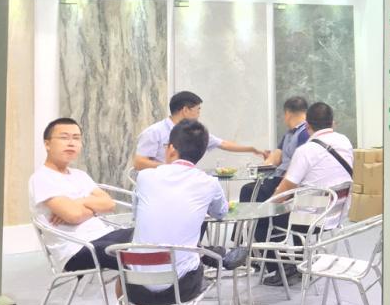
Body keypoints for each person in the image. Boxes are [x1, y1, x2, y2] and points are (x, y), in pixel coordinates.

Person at [27, 117, 146, 305]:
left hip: (103, 234)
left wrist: (78, 203)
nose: (71, 143)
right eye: (64, 137)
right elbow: (73, 216)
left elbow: (108, 204)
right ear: (47, 143)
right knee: (131, 252)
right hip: (75, 249)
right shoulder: (41, 179)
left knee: (147, 237)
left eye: (76, 138)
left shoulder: (80, 175)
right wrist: (87, 207)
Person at [125, 119, 228, 305]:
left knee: (176, 252)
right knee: (191, 257)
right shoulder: (209, 183)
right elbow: (221, 213)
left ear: (171, 148)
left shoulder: (145, 177)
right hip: (180, 288)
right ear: (201, 153)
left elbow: (136, 216)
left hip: (136, 288)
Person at [263, 102, 354, 286]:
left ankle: (283, 268)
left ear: (307, 125)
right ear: (333, 123)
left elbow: (283, 191)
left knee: (265, 218)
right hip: (336, 214)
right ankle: (300, 262)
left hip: (310, 220)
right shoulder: (345, 141)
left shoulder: (305, 151)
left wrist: (266, 205)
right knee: (301, 203)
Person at [132, 90, 267, 172]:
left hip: (185, 183)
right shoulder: (154, 132)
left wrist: (251, 149)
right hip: (159, 185)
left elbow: (223, 144)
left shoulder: (194, 133)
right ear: (185, 110)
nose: (199, 114)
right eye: (198, 110)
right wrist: (171, 169)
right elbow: (139, 163)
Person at [240, 96, 310, 244]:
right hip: (280, 177)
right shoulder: (289, 133)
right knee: (250, 189)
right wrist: (262, 168)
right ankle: (252, 240)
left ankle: (261, 242)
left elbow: (299, 166)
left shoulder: (304, 133)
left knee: (250, 192)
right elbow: (277, 154)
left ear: (287, 114)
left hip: (289, 181)